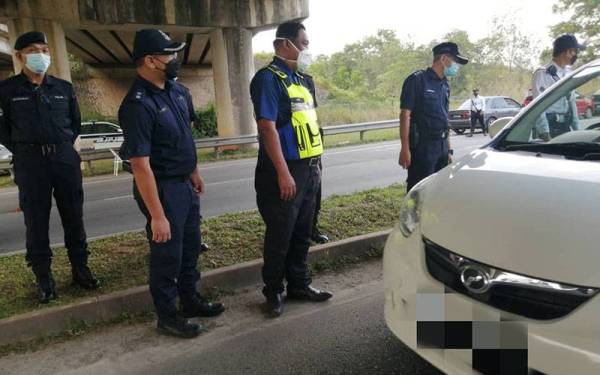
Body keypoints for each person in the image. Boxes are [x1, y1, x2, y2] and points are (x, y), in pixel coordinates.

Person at [118, 29, 223, 339]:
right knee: (168, 257)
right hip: (162, 190)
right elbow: (140, 164)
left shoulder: (177, 91)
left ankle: (190, 300)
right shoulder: (137, 105)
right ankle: (167, 316)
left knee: (190, 248)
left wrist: (194, 172)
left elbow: (185, 135)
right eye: (171, 54)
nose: (176, 59)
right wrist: (158, 215)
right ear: (151, 60)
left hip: (184, 184)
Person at [0, 31, 99, 303]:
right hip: (31, 163)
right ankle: (44, 277)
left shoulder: (63, 88)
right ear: (20, 56)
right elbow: (4, 130)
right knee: (35, 221)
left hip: (64, 159)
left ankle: (80, 269)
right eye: (33, 50)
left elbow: (74, 124)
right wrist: (26, 148)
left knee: (74, 217)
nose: (41, 55)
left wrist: (61, 147)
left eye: (44, 49)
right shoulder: (7, 91)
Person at [250, 21, 333, 318]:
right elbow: (267, 128)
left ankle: (299, 283)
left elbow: (310, 124)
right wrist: (284, 173)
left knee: (302, 232)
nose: (307, 48)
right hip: (283, 170)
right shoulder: (268, 79)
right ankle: (273, 291)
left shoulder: (302, 80)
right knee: (280, 234)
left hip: (310, 168)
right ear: (285, 44)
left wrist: (317, 166)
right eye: (304, 43)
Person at [398, 42, 468, 192]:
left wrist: (448, 150)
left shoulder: (445, 85)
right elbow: (405, 115)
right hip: (423, 147)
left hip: (442, 145)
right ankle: (415, 216)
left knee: (438, 191)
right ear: (443, 59)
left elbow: (444, 119)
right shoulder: (417, 80)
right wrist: (405, 148)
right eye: (455, 61)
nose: (456, 66)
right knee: (420, 191)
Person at [532, 34, 586, 141]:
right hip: (549, 128)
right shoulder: (542, 74)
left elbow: (572, 102)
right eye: (574, 51)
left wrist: (578, 130)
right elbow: (538, 107)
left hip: (565, 126)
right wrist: (545, 133)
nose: (575, 55)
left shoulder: (569, 73)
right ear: (567, 51)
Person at [302, 72, 329, 244]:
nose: (305, 50)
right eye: (303, 43)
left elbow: (312, 114)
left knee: (315, 192)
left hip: (312, 144)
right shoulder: (273, 78)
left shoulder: (307, 80)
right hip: (292, 148)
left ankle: (312, 228)